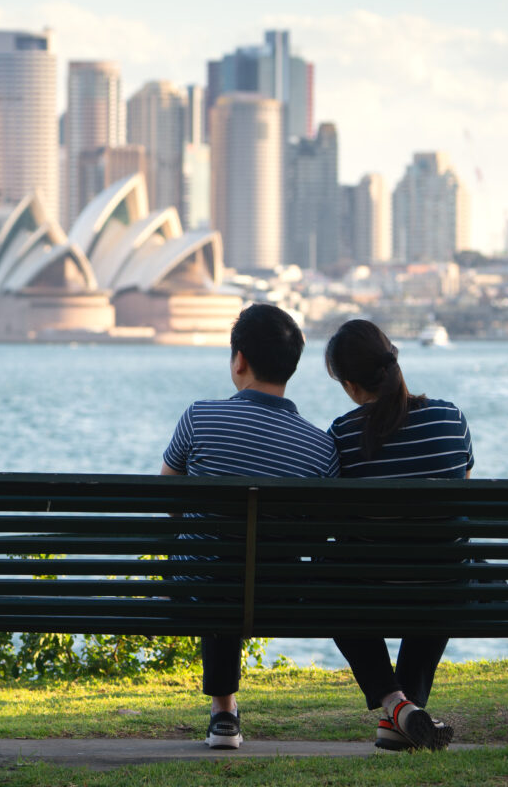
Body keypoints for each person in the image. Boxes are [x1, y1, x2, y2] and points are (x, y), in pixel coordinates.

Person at [160, 303, 338, 749]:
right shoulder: (321, 447)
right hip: (279, 591)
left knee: (216, 559)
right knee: (240, 561)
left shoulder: (199, 417)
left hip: (198, 583)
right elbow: (319, 532)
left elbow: (168, 497)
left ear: (239, 360)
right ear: (291, 367)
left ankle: (224, 712)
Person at [325, 318, 473, 752]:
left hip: (371, 589)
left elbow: (337, 521)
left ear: (351, 385)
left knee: (326, 579)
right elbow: (457, 502)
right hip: (443, 588)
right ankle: (405, 715)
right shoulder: (451, 418)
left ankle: (396, 704)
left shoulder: (343, 435)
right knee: (446, 560)